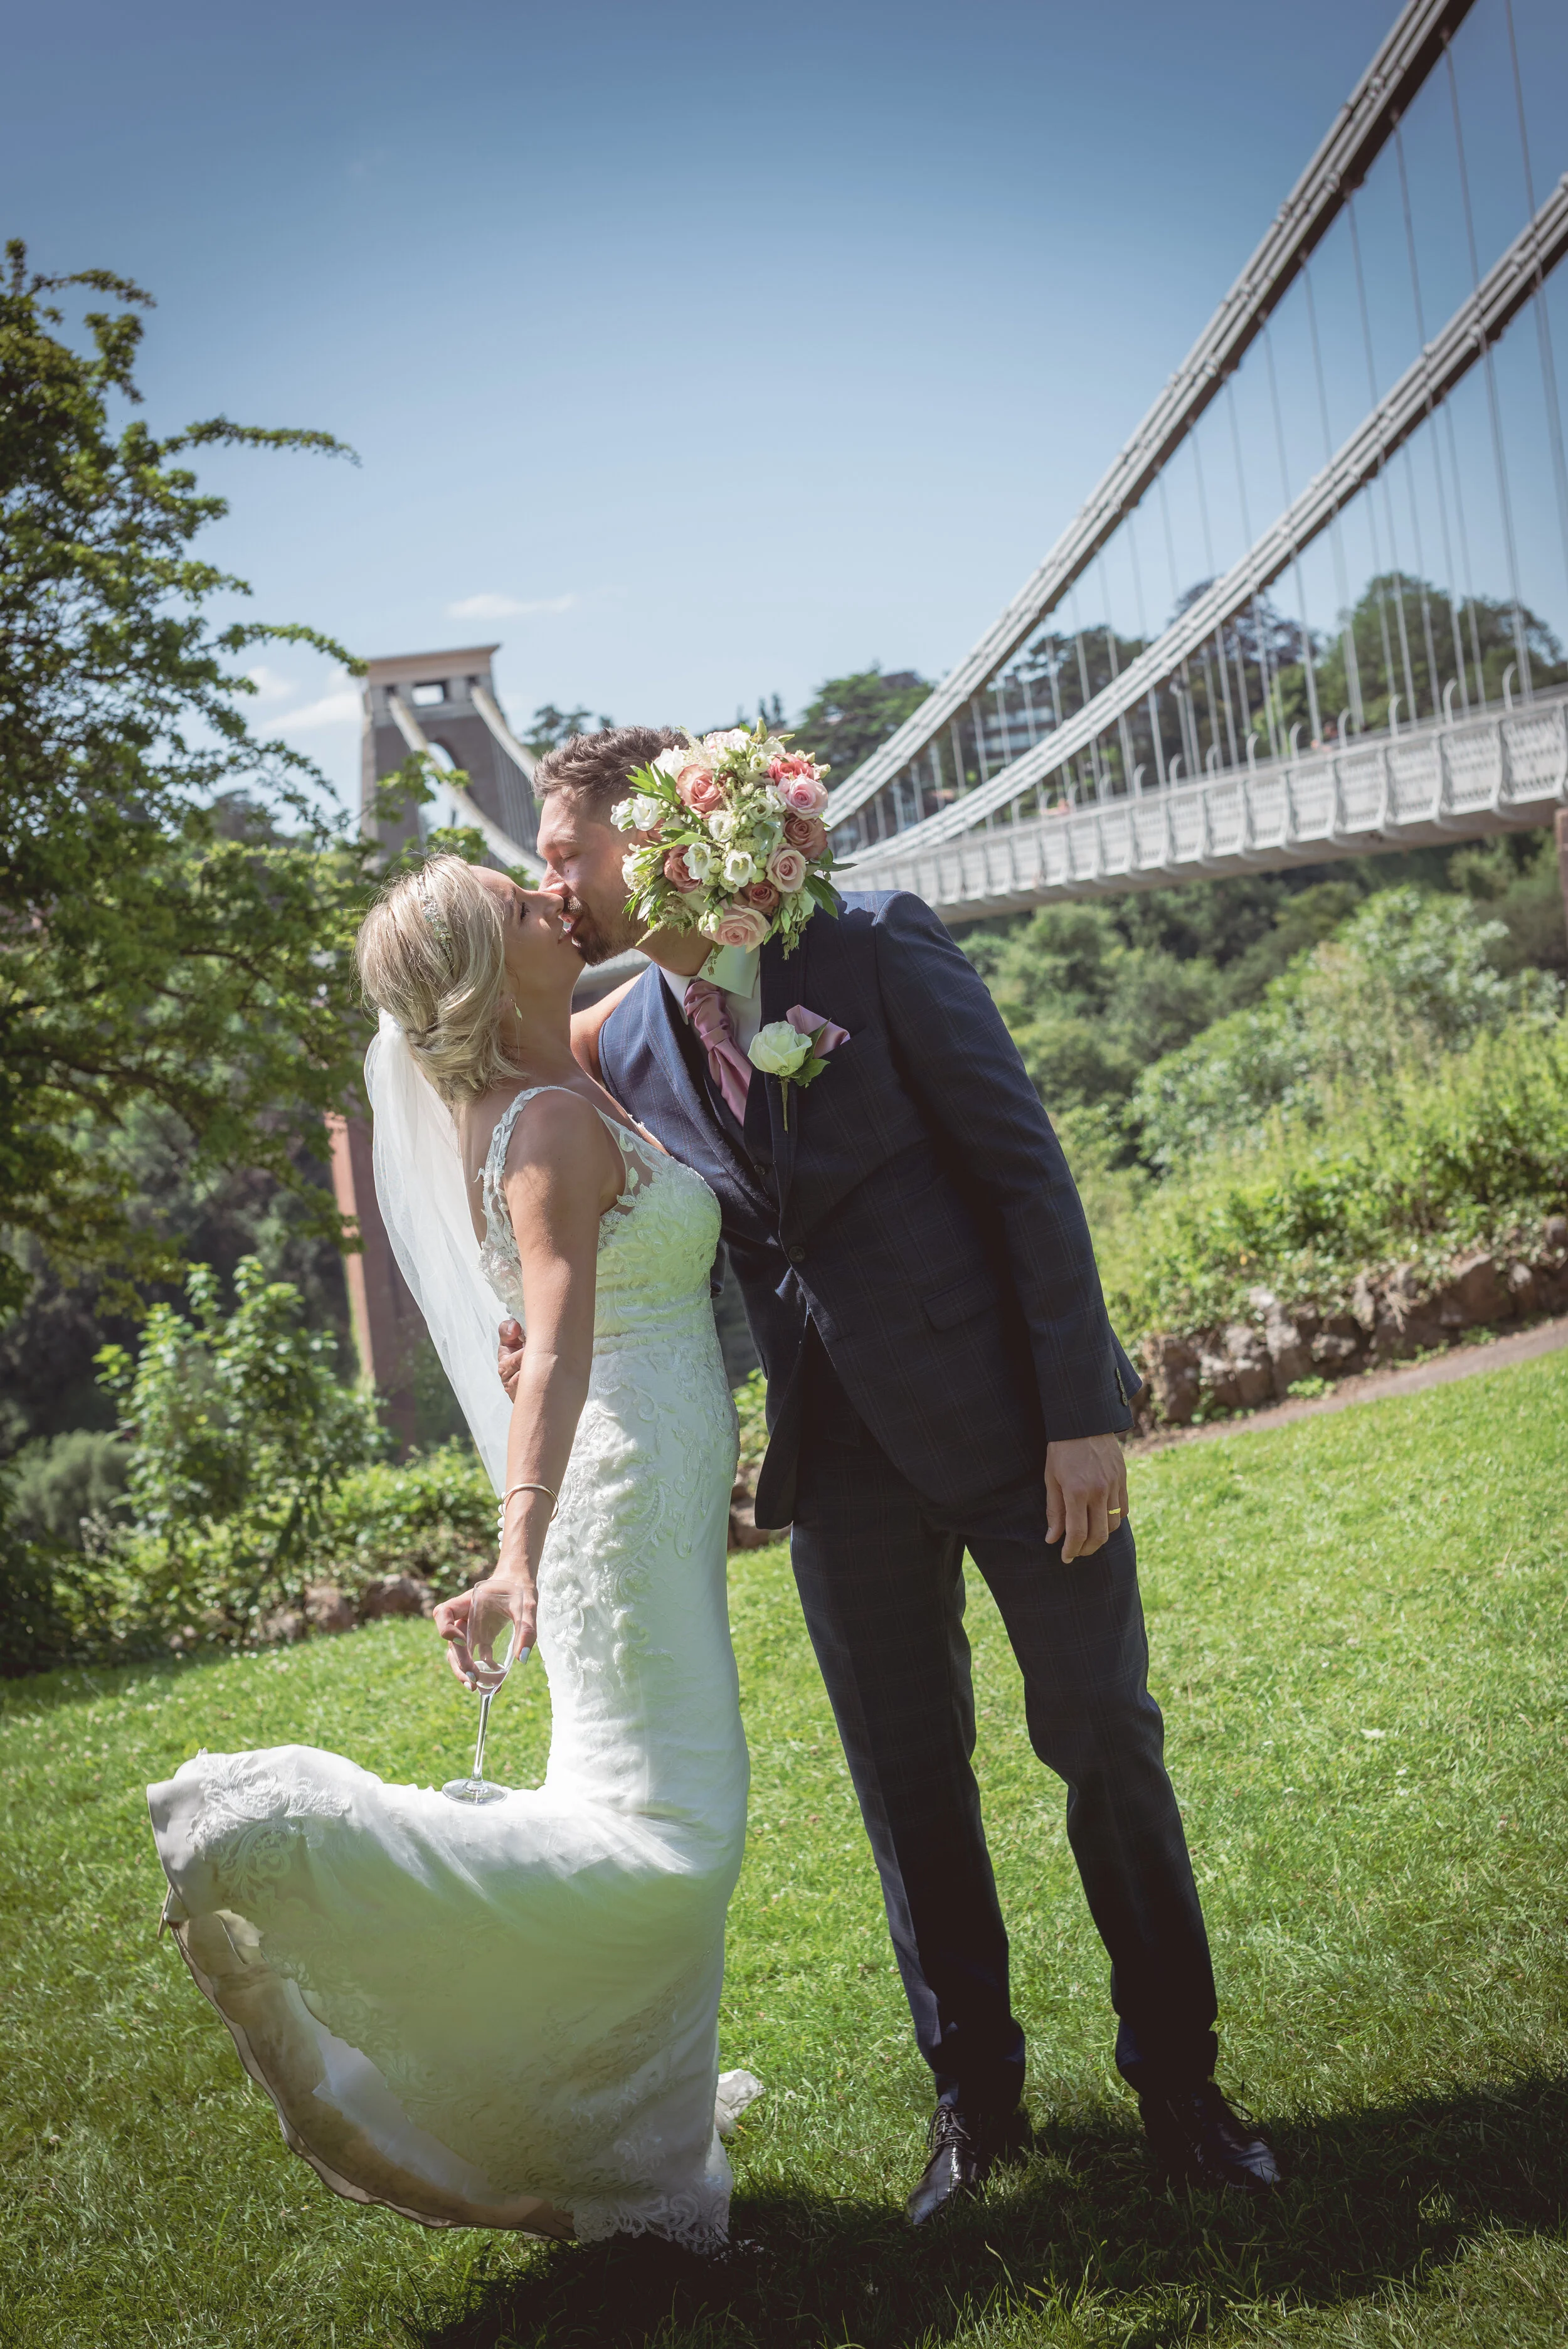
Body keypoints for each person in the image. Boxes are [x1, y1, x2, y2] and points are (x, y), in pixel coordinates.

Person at [510, 724, 1279, 2219]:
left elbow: (1022, 1169)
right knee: (905, 1790)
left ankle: (1181, 2090)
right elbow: (553, 1187)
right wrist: (509, 1315)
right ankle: (973, 2107)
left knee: (1102, 1743)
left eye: (565, 850)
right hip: (834, 1468)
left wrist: (1080, 1412)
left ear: (663, 840)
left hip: (1014, 1433)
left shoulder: (868, 947)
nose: (552, 879)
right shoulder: (625, 1041)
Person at [147, 853, 759, 2249]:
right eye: (518, 905)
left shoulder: (554, 1077)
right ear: (491, 972)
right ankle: (285, 1840)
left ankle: (634, 2158)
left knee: (658, 1819)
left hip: (646, 1491)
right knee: (674, 1841)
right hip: (611, 1503)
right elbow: (545, 1345)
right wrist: (517, 1549)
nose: (554, 899)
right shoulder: (544, 1118)